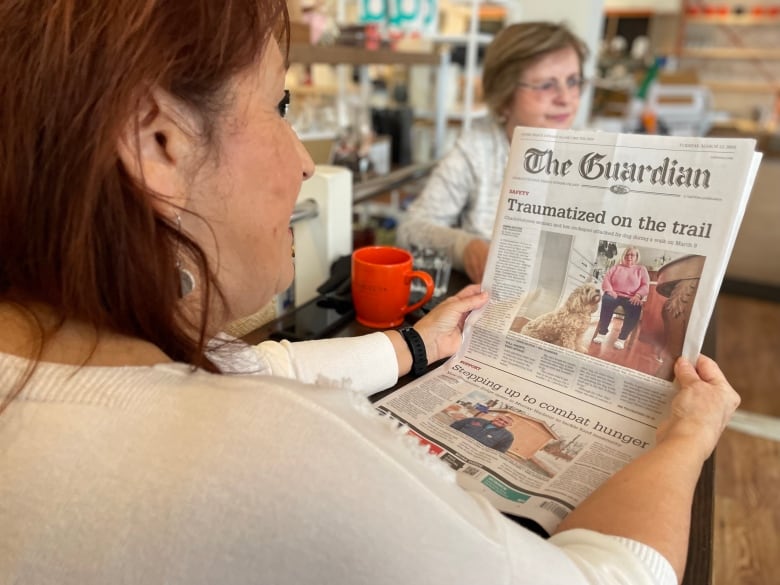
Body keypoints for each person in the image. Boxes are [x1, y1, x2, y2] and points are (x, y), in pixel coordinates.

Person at [0, 3, 740, 584]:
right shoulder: (278, 449)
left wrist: (419, 342)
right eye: (281, 105)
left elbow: (252, 365)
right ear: (158, 142)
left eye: (571, 83)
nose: (301, 161)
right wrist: (687, 436)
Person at [397, 21, 589, 284]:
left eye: (573, 81)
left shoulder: (594, 152)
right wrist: (465, 247)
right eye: (546, 85)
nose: (566, 98)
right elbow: (411, 229)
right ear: (505, 92)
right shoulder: (478, 147)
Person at [593, 246, 651, 350]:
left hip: (631, 297)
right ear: (623, 256)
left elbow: (645, 285)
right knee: (607, 299)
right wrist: (610, 291)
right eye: (627, 255)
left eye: (632, 255)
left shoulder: (641, 269)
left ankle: (622, 338)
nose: (629, 257)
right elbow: (607, 279)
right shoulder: (616, 267)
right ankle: (602, 333)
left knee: (636, 306)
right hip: (614, 294)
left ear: (636, 257)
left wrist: (638, 295)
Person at [451, 414, 515, 452]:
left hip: (473, 453)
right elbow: (454, 426)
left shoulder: (508, 436)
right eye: (500, 419)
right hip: (453, 443)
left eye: (505, 422)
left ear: (509, 425)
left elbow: (499, 451)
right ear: (495, 417)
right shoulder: (475, 420)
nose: (501, 422)